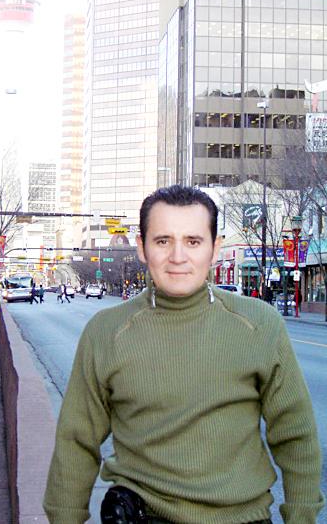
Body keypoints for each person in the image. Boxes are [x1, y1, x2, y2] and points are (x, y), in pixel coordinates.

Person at [44, 185, 324, 524]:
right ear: (142, 248)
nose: (178, 256)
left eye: (193, 241)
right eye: (163, 241)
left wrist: (302, 516)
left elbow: (296, 434)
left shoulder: (259, 324)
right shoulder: (106, 332)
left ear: (215, 248)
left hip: (242, 517)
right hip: (143, 515)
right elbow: (76, 440)